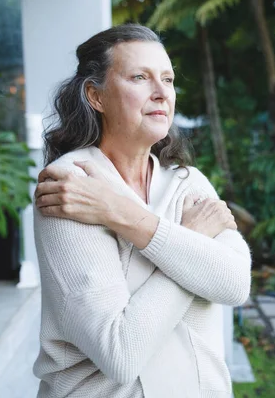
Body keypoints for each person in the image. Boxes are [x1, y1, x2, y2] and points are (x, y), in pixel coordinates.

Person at [31, 24, 251, 398]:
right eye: (140, 77)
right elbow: (120, 352)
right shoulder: (71, 185)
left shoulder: (187, 182)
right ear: (95, 95)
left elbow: (234, 284)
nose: (161, 93)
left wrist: (121, 214)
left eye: (167, 79)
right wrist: (192, 240)